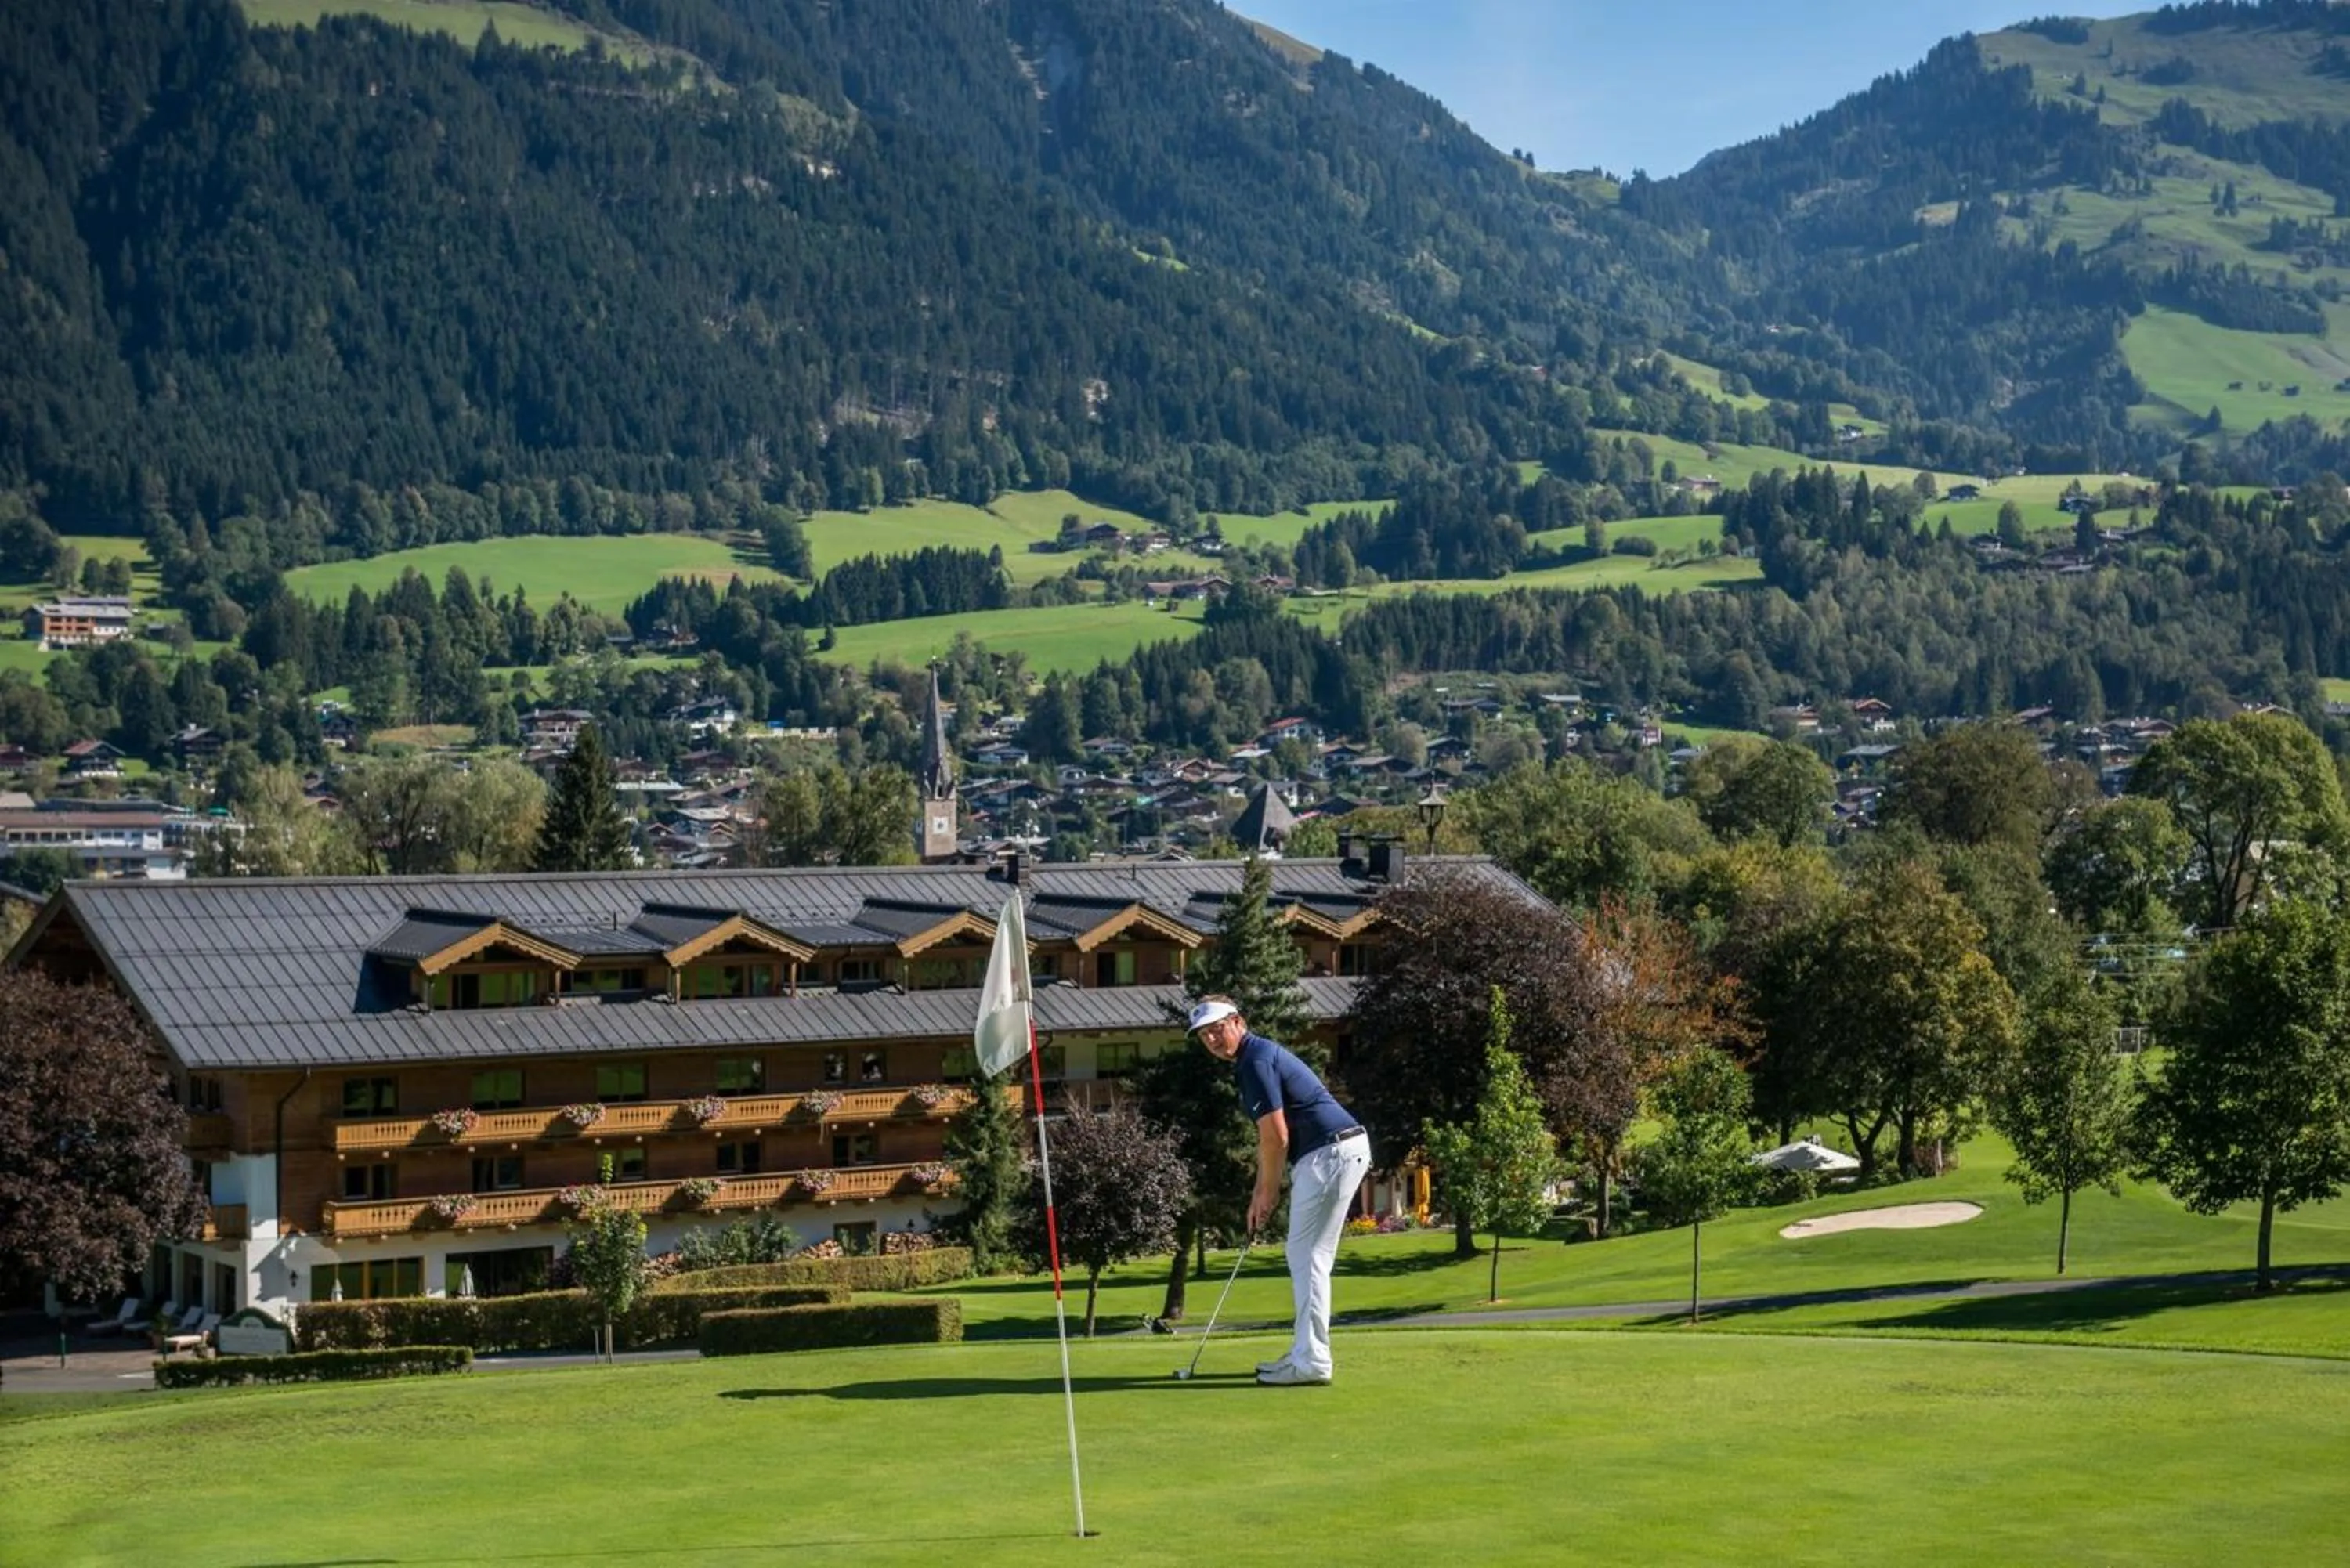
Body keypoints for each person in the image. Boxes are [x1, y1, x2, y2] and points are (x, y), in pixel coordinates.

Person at [1187, 994, 1372, 1386]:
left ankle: (1312, 1361)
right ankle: (1305, 1354)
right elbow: (1271, 1141)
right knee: (1309, 1255)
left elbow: (1275, 1137)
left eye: (1218, 1029)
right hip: (1336, 1149)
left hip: (1329, 1151)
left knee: (1307, 1256)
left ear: (1238, 1021)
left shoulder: (1254, 1061)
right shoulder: (1256, 1057)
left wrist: (1267, 1193)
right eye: (1205, 1035)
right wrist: (1261, 1189)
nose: (1213, 1040)